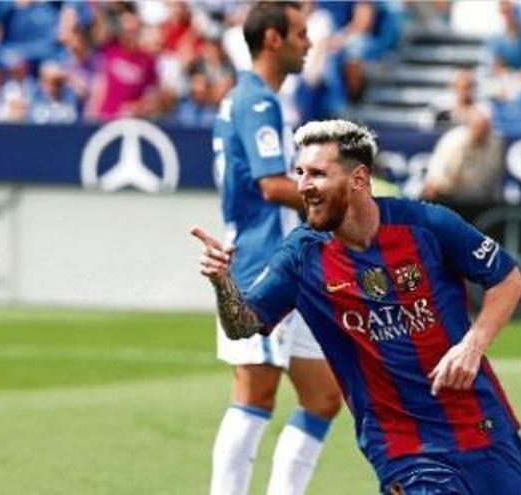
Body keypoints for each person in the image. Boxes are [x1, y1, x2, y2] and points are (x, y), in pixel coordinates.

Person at [192, 119, 521, 494]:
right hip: (405, 450)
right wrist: (222, 283)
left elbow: (507, 278)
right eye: (300, 172)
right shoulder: (301, 255)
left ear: (358, 179)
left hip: (482, 424)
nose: (303, 186)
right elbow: (243, 325)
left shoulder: (427, 224)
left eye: (317, 174)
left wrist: (473, 345)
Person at [208, 3, 341, 495]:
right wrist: (340, 197)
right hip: (262, 264)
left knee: (324, 394)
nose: (308, 43)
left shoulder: (254, 100)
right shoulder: (259, 101)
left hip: (289, 261)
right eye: (301, 34)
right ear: (272, 39)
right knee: (255, 391)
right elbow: (269, 184)